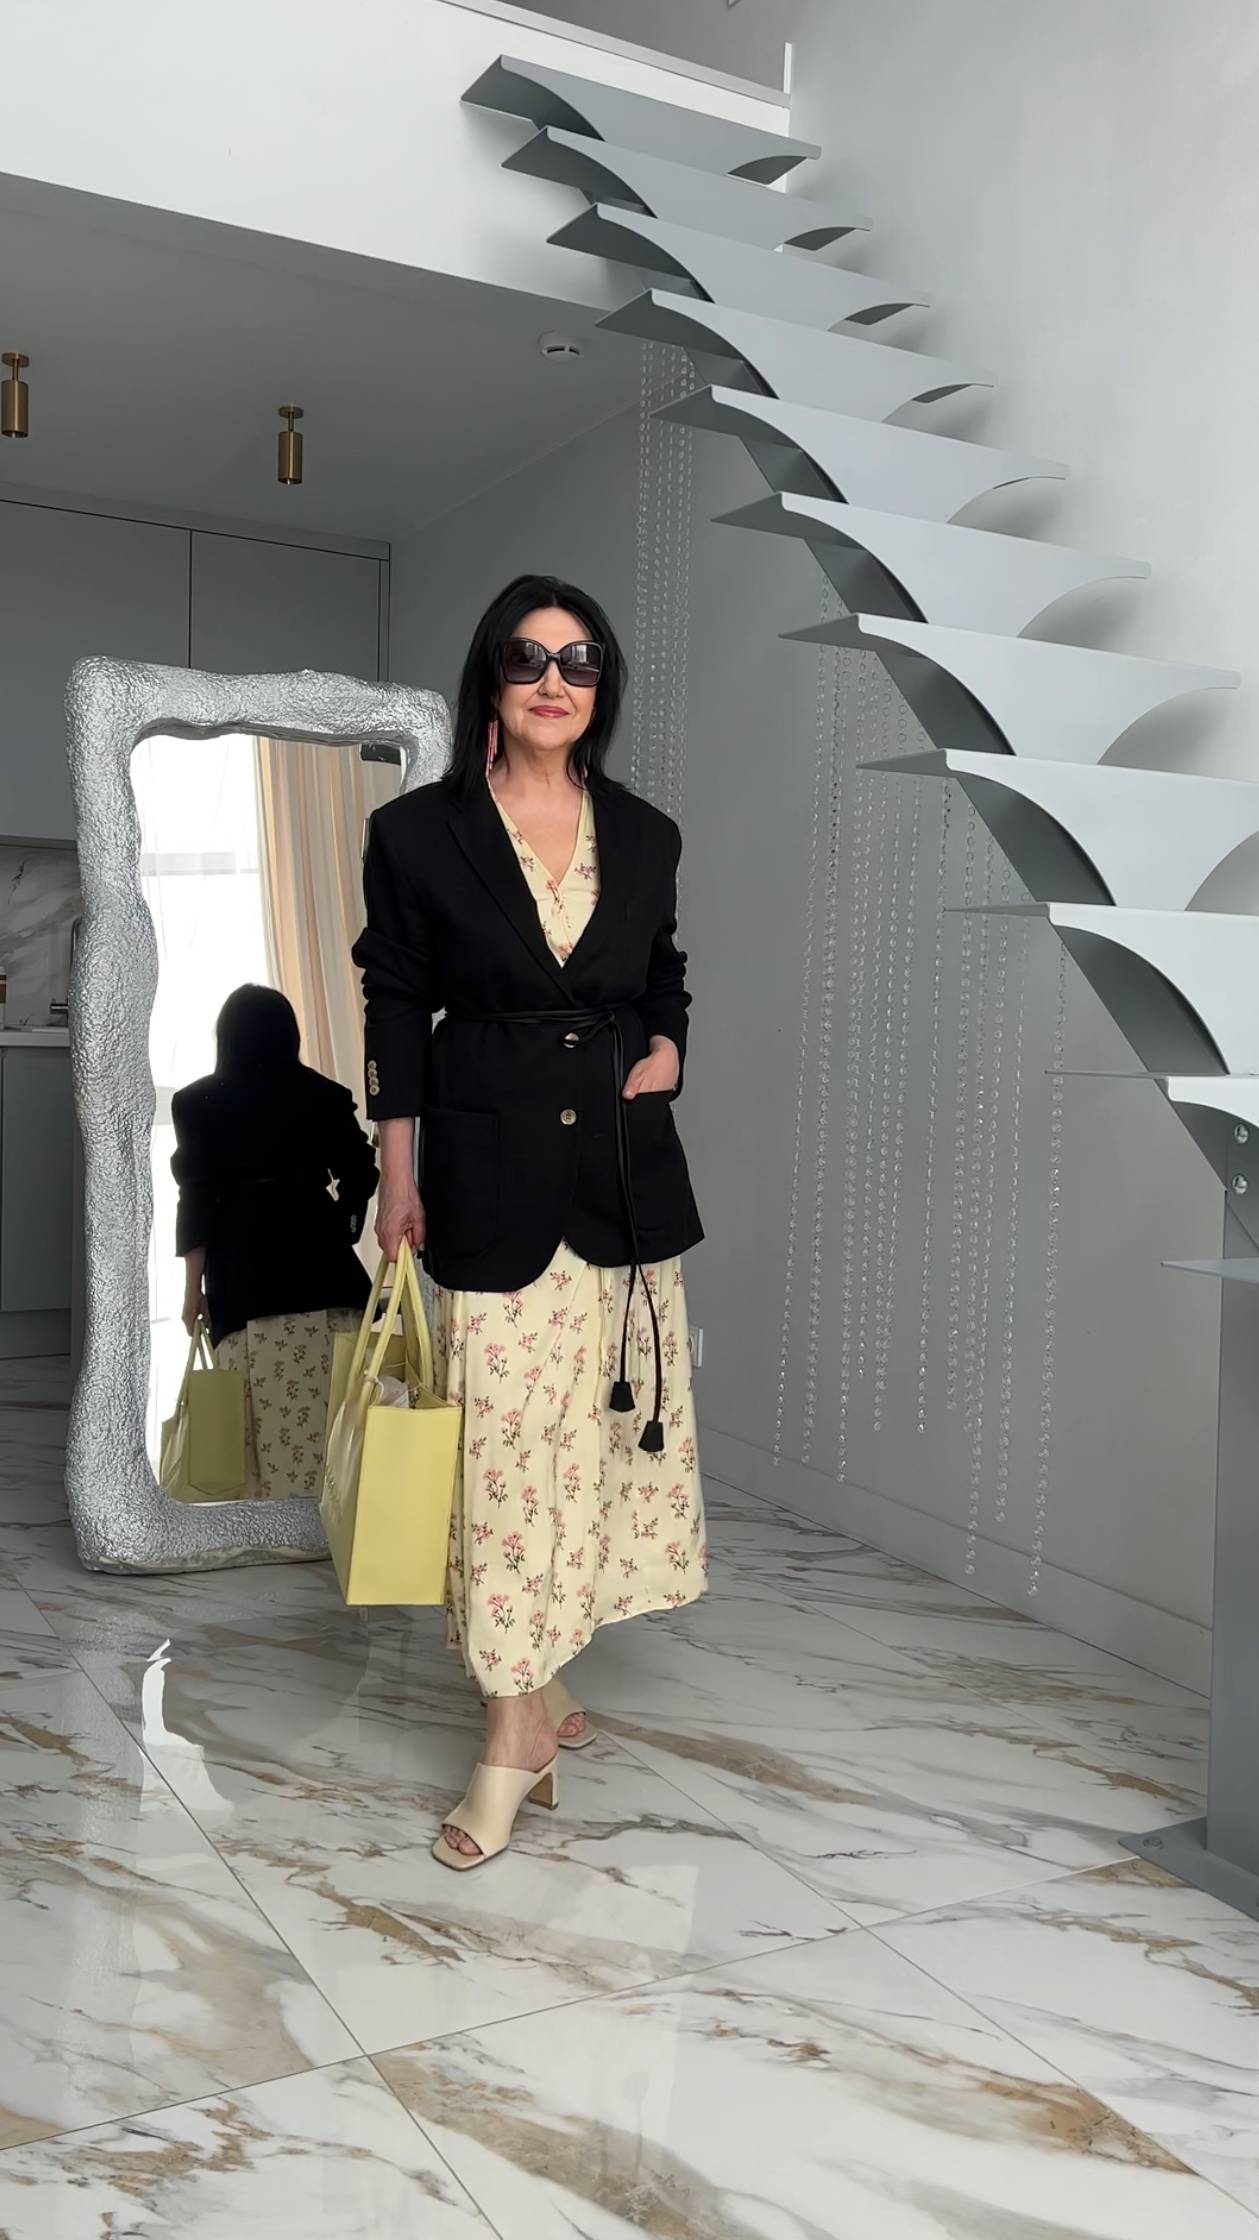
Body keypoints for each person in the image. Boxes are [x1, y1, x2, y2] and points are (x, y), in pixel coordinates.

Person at [354, 573, 707, 1870]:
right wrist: (396, 1173)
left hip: (618, 1178)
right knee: (501, 1450)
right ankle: (513, 1730)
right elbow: (395, 1004)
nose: (554, 680)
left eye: (579, 659)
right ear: (489, 679)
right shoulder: (417, 834)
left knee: (593, 1444)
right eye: (527, 656)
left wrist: (666, 1046)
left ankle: (542, 1670)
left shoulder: (648, 832)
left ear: (600, 684)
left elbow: (662, 972)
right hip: (485, 1171)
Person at [171, 983, 379, 1501]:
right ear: (290, 1034)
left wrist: (192, 1291)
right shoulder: (323, 1095)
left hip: (242, 1283)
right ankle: (330, 1527)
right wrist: (342, 1224)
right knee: (334, 1432)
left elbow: (196, 1204)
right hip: (325, 1275)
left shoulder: (196, 1104)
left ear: (225, 1037)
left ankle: (270, 1527)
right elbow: (361, 1171)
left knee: (257, 1434)